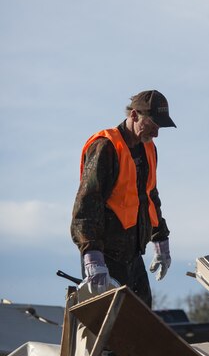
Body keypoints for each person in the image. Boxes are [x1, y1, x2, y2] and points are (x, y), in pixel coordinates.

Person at [71, 89, 176, 307]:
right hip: (106, 258)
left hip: (132, 254)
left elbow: (149, 196)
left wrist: (160, 238)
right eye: (153, 125)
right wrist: (92, 255)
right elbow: (88, 202)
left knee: (142, 321)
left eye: (159, 128)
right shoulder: (105, 147)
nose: (156, 133)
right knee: (110, 329)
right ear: (135, 115)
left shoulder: (147, 148)